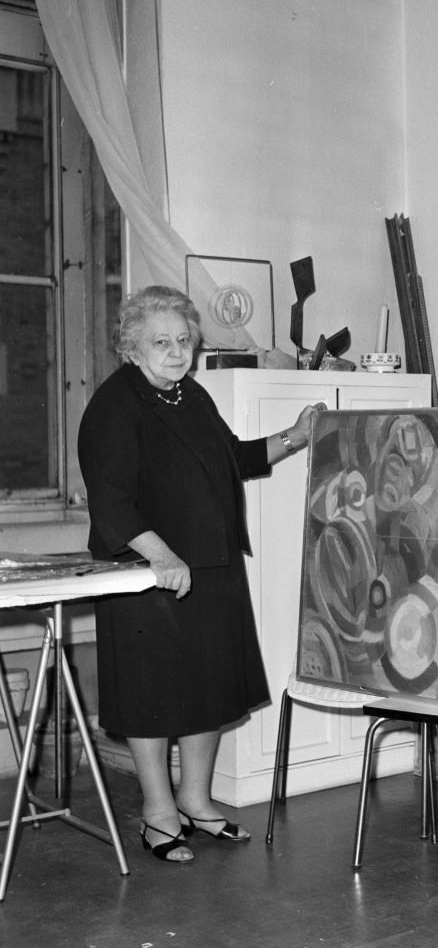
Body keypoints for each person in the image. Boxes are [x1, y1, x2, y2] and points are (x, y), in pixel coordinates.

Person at [78, 285, 325, 863]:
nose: (176, 350)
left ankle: (196, 799)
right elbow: (110, 499)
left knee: (208, 686)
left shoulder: (191, 395)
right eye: (161, 341)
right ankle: (159, 812)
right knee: (152, 693)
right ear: (131, 346)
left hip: (210, 565)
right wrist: (160, 556)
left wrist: (295, 435)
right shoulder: (115, 405)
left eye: (184, 340)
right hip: (147, 573)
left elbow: (232, 458)